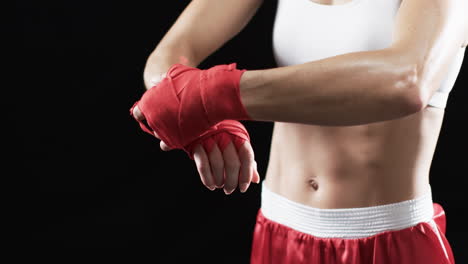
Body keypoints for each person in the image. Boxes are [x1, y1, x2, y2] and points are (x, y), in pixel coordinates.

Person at [130, 0, 468, 263]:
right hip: (279, 228)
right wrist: (201, 114)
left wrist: (216, 95)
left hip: (386, 238)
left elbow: (406, 80)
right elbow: (165, 60)